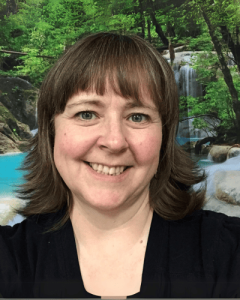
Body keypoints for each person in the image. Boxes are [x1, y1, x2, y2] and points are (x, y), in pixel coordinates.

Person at [0, 31, 240, 299]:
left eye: (137, 116)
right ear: (50, 131)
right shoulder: (10, 260)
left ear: (164, 136)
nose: (114, 141)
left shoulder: (228, 253)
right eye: (87, 114)